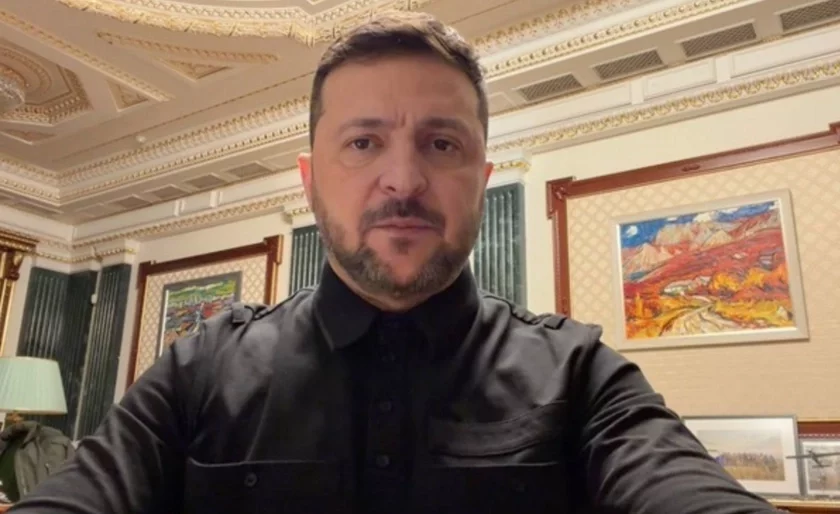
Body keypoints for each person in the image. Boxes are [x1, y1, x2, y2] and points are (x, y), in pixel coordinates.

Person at [12, 11, 784, 514]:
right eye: (363, 142)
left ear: (482, 179)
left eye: (442, 143)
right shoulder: (198, 370)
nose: (404, 180)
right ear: (310, 181)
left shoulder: (581, 374)